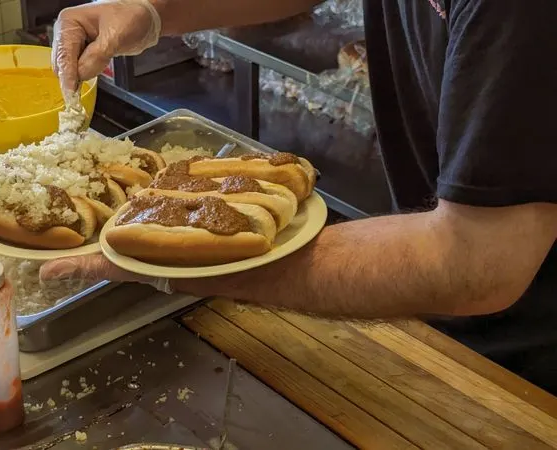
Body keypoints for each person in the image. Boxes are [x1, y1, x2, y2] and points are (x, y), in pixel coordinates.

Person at [43, 0, 557, 393]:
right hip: (451, 319)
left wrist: (198, 262)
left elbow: (475, 263)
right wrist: (151, 11)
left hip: (524, 370)